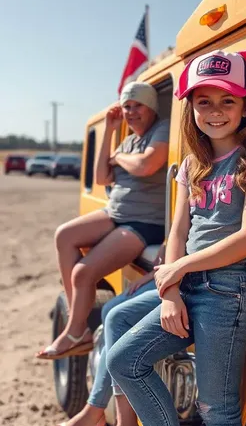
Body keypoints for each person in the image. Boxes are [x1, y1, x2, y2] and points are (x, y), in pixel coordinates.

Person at [105, 49, 246, 426]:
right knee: (123, 358)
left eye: (227, 101)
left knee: (217, 412)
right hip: (188, 286)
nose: (216, 112)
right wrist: (171, 291)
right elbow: (177, 233)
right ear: (190, 109)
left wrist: (178, 272)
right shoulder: (190, 164)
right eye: (204, 102)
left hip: (230, 292)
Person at [36, 81, 169, 360]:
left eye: (137, 106)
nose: (131, 112)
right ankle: (77, 323)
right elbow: (101, 177)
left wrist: (119, 157)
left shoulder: (162, 129)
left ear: (152, 107)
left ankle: (75, 333)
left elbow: (147, 165)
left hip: (145, 221)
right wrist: (109, 129)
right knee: (64, 235)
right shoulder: (129, 141)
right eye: (126, 107)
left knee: (82, 273)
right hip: (117, 213)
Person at [50, 246, 164, 426]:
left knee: (116, 316)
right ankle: (103, 414)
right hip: (174, 263)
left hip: (192, 272)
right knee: (111, 308)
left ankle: (110, 418)